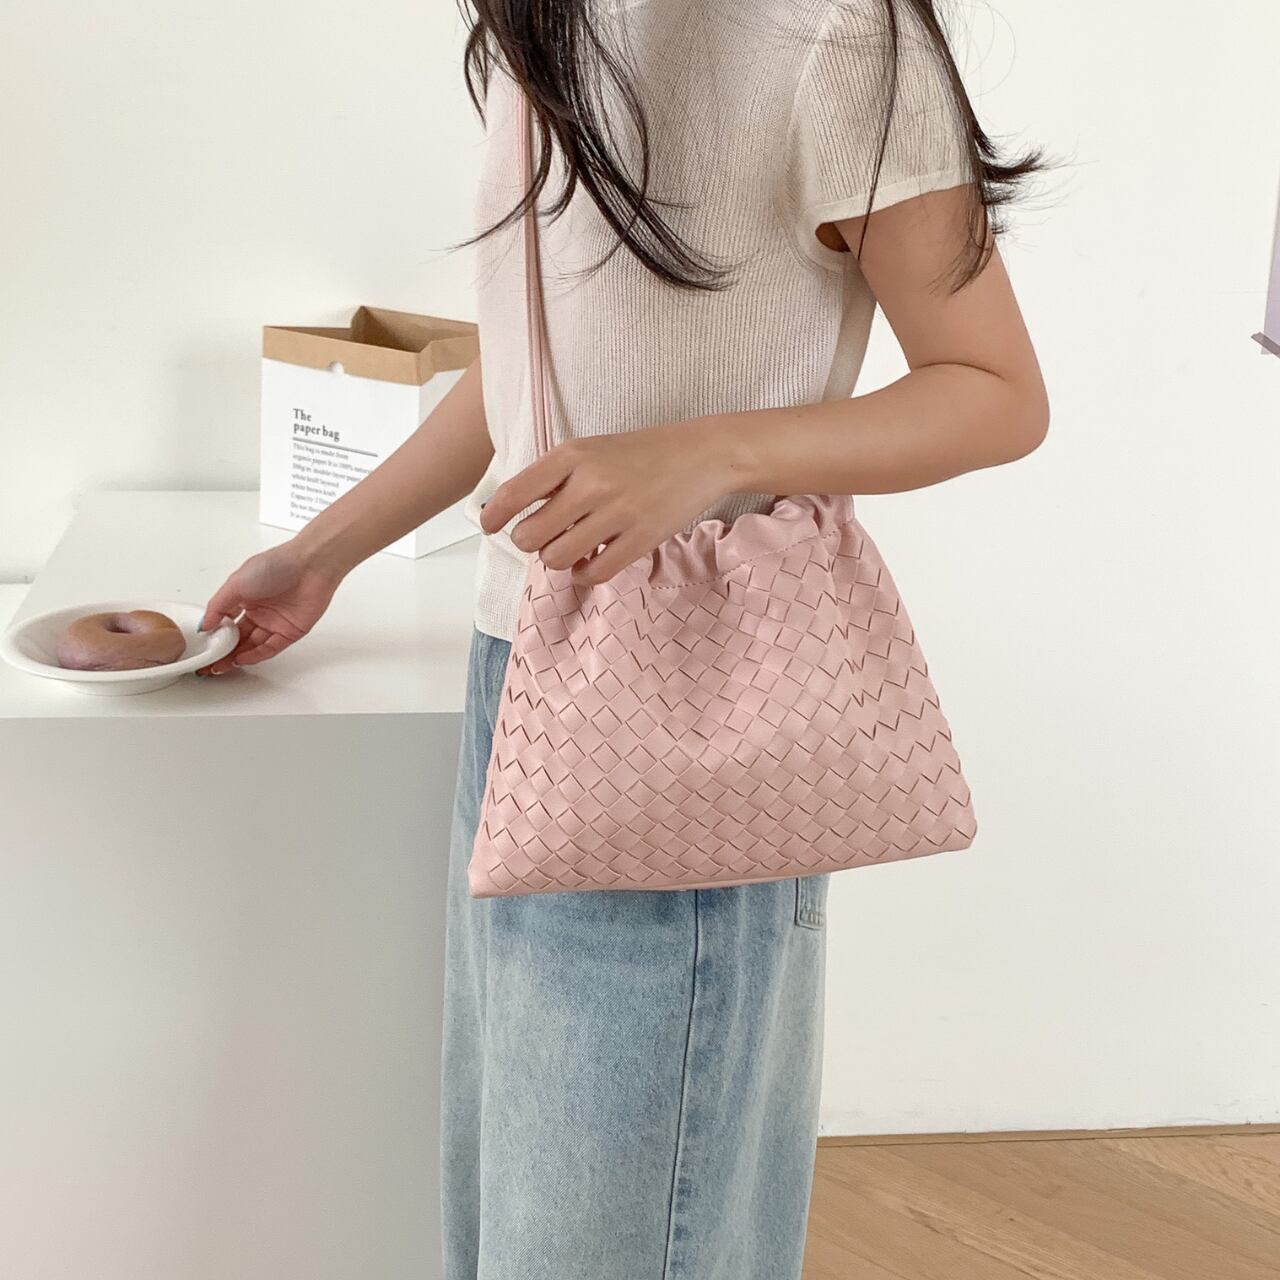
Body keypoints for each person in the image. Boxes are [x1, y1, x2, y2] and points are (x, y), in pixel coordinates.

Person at [196, 1, 1052, 1275]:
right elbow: (533, 368)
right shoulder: (548, 22)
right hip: (516, 669)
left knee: (607, 1236)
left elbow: (994, 392)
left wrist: (708, 453)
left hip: (688, 695)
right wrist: (321, 553)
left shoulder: (831, 32)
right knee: (514, 1222)